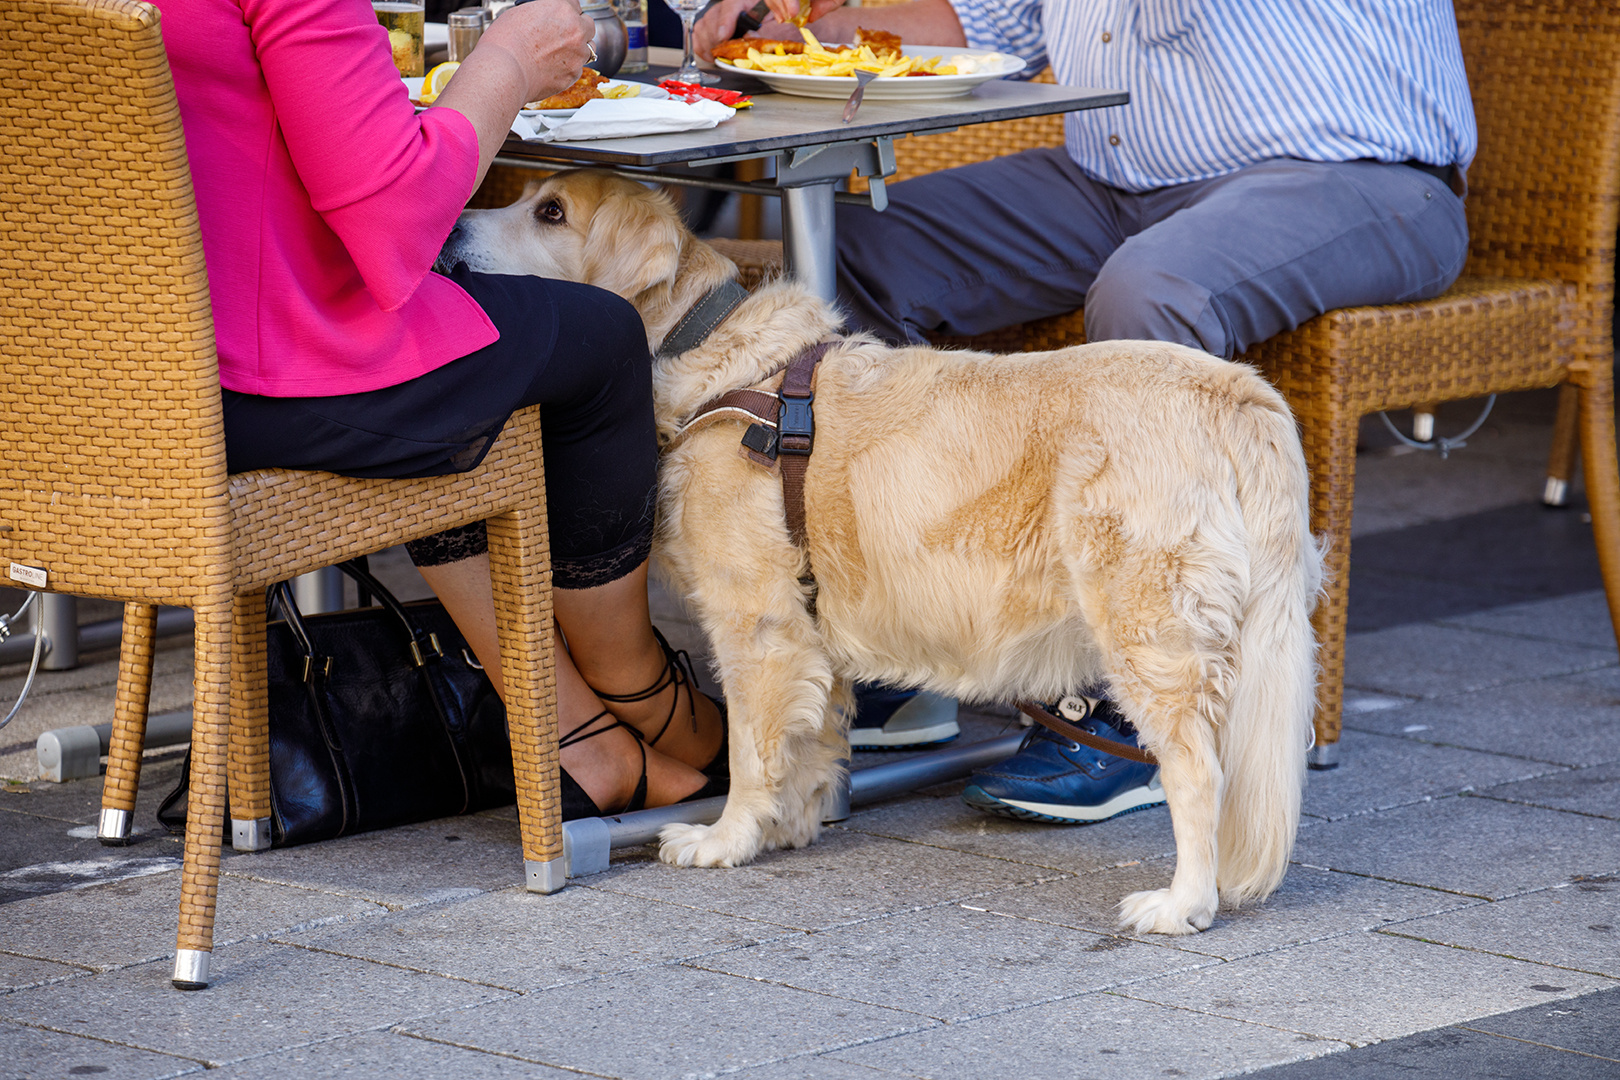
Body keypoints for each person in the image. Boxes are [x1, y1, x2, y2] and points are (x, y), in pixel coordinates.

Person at [697, 0, 1476, 823]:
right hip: (1115, 181)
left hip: (1359, 174)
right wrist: (817, 34)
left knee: (1150, 296)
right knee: (855, 253)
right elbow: (989, 22)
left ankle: (1138, 709)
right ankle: (911, 640)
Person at [157, 0, 727, 819]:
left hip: (85, 389)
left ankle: (579, 734)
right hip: (252, 379)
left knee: (461, 349)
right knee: (594, 341)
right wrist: (509, 60)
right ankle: (635, 687)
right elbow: (396, 218)